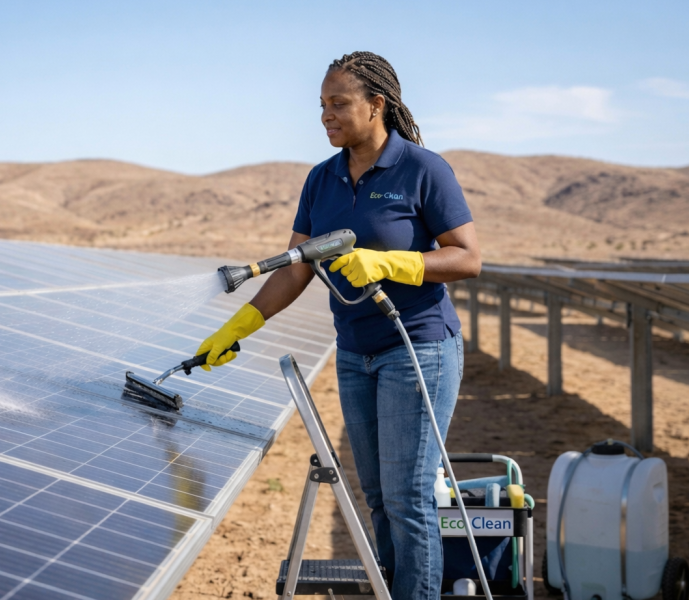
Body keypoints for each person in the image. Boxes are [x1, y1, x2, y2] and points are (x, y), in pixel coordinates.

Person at [195, 51, 481, 597]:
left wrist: (391, 262)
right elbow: (294, 269)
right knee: (377, 496)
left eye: (339, 104)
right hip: (356, 353)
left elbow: (467, 259)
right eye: (322, 105)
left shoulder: (423, 169)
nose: (326, 115)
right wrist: (238, 327)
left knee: (410, 497)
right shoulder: (321, 180)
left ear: (377, 105)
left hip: (416, 348)